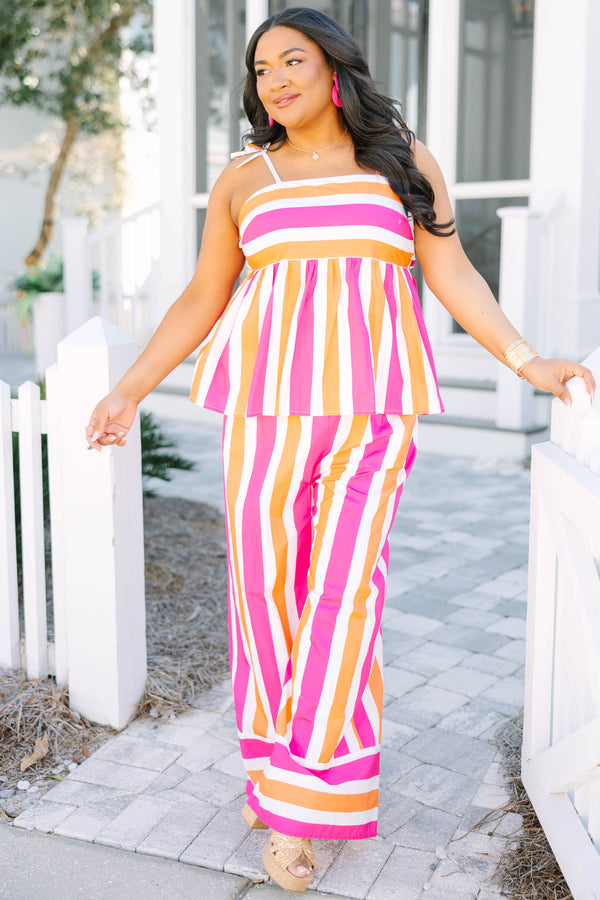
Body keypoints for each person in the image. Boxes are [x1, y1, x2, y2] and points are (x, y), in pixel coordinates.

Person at [86, 6, 595, 893]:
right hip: (266, 413)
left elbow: (453, 274)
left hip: (375, 413)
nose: (274, 80)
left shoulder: (401, 160)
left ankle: (297, 802)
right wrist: (128, 388)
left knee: (343, 599)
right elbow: (204, 296)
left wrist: (525, 359)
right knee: (264, 597)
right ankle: (273, 769)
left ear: (335, 69)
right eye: (260, 70)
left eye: (293, 60)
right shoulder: (247, 178)